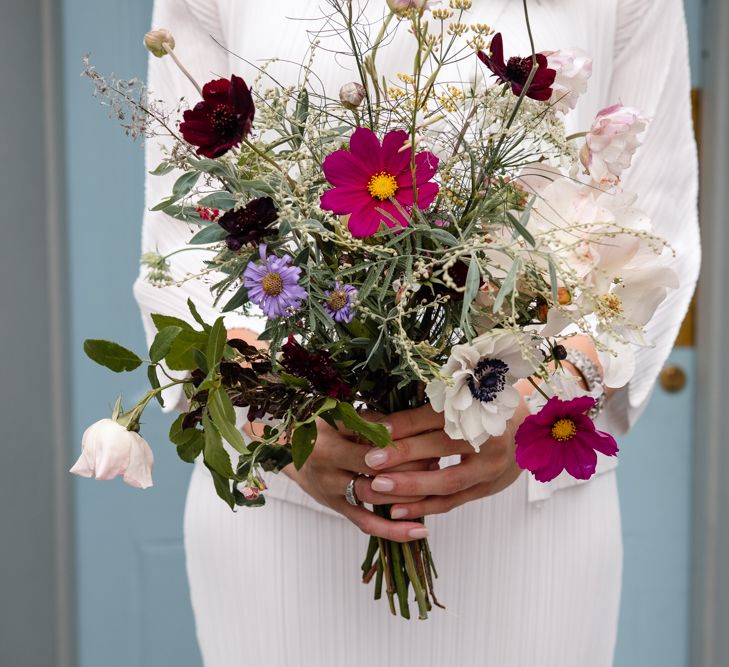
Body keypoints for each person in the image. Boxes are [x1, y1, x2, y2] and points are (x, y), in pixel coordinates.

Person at [134, 0, 700, 665]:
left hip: (529, 502)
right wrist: (278, 417)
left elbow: (649, 236)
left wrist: (537, 400)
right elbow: (186, 250)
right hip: (287, 501)